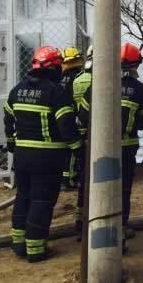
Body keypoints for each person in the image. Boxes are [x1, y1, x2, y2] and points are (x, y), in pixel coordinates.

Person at [4, 46, 80, 262]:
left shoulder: (17, 90)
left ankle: (19, 243)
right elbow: (66, 126)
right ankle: (36, 249)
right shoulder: (56, 92)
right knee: (42, 200)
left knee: (24, 197)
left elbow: (8, 120)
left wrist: (12, 145)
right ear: (55, 67)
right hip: (47, 159)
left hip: (21, 157)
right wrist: (78, 148)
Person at [78, 43, 143, 251]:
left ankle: (98, 233)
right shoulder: (142, 91)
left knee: (101, 189)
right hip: (127, 148)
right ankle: (120, 233)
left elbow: (82, 116)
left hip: (100, 149)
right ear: (137, 64)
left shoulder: (97, 84)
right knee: (123, 190)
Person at [70, 45, 92, 233]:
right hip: (100, 136)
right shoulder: (104, 79)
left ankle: (80, 219)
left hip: (79, 134)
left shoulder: (77, 80)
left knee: (84, 179)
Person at [60, 46, 85, 189]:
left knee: (65, 149)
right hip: (74, 116)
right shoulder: (79, 77)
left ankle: (65, 179)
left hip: (61, 117)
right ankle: (69, 180)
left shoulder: (60, 78)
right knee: (74, 149)